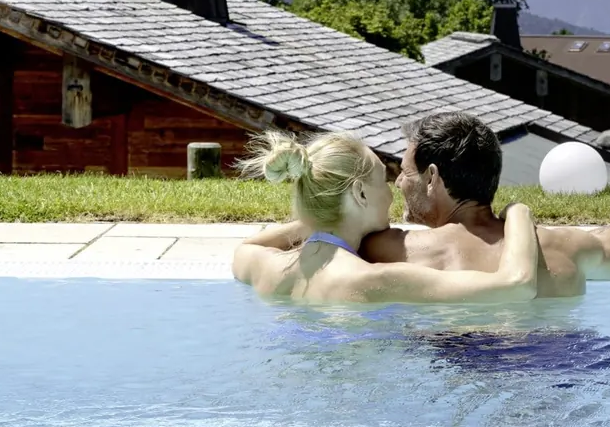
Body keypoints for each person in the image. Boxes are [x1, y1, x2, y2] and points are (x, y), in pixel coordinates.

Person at [231, 129, 545, 305]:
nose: (393, 190)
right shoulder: (377, 280)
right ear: (360, 194)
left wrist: (319, 214)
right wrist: (518, 214)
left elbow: (247, 247)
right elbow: (516, 286)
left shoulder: (267, 268)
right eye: (382, 178)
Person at [358, 112, 610, 298]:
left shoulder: (394, 249)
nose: (399, 184)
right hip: (557, 363)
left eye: (406, 173)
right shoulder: (558, 246)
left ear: (432, 177)